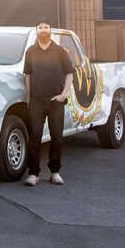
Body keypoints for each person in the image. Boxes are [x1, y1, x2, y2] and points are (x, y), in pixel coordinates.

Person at [23, 17, 74, 187]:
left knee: (57, 137)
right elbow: (27, 75)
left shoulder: (60, 51)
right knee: (35, 137)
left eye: (46, 27)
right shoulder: (31, 51)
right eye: (40, 27)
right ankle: (33, 174)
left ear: (50, 30)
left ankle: (55, 172)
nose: (43, 30)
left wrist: (63, 94)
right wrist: (29, 97)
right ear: (36, 30)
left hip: (55, 101)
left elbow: (69, 74)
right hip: (36, 100)